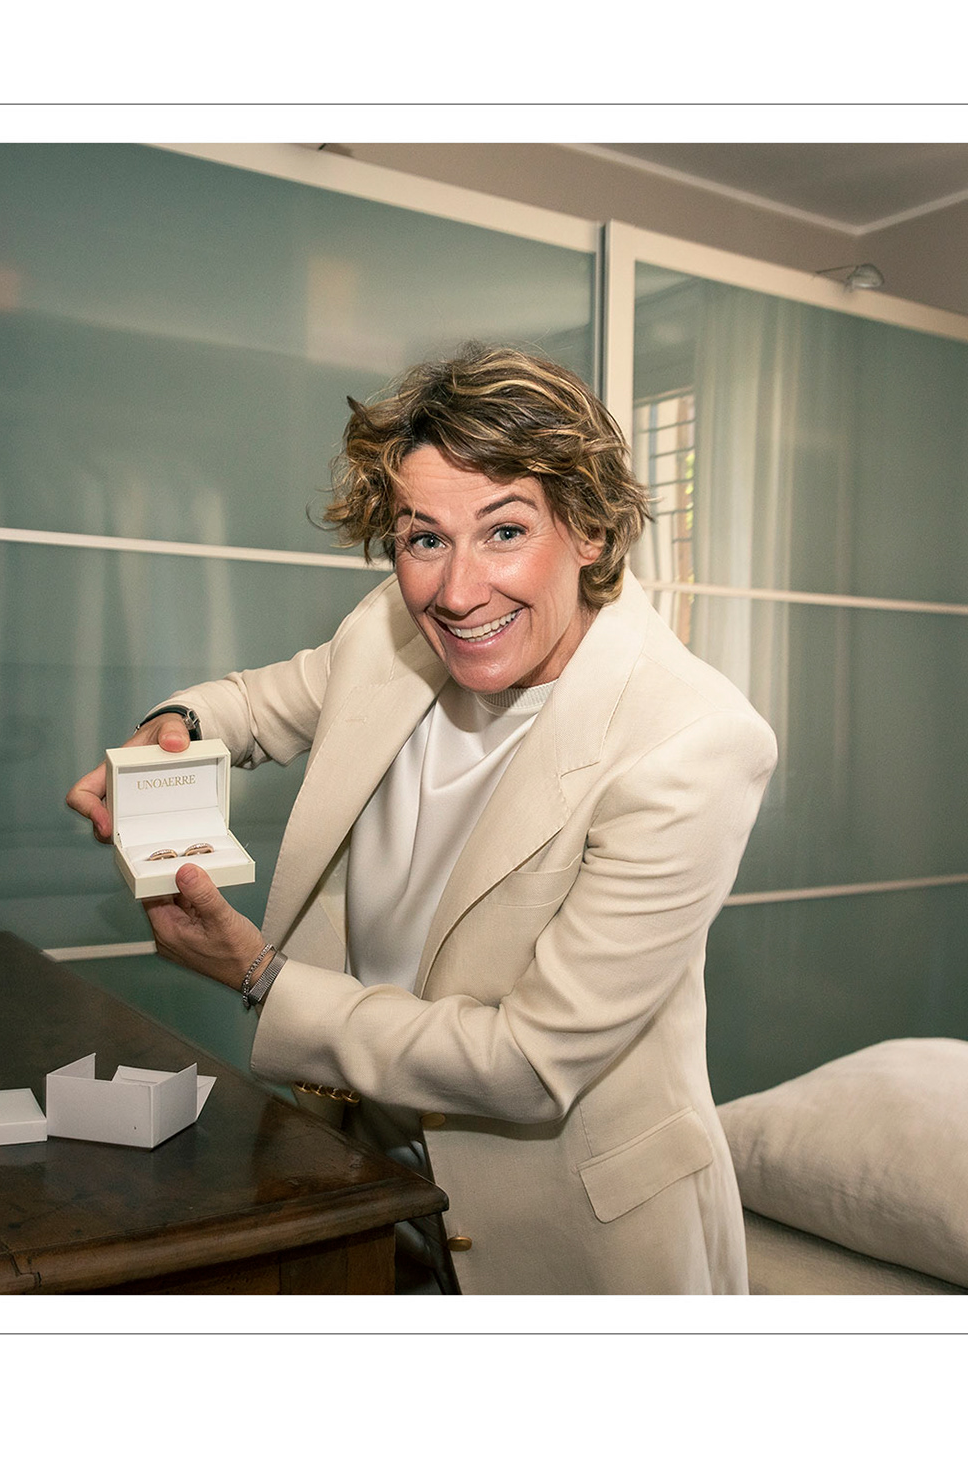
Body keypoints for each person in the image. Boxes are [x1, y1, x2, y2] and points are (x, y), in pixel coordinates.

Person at [65, 344, 777, 1294]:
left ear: (592, 531)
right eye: (424, 539)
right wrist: (176, 730)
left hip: (571, 1236)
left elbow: (528, 1063)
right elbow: (261, 704)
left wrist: (259, 976)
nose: (457, 591)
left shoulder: (694, 742)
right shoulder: (394, 626)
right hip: (362, 1174)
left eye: (505, 531)